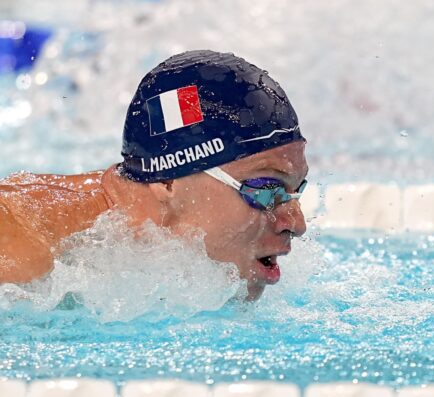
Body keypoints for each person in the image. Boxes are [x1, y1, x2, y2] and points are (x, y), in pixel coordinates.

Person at [0, 50, 308, 300]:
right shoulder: (21, 249)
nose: (296, 224)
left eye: (296, 191)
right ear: (168, 180)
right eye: (266, 189)